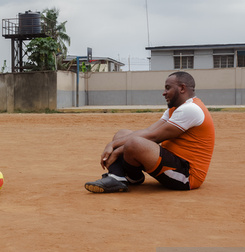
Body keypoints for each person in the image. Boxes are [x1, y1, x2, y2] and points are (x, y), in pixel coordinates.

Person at [85, 71, 215, 193]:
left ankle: (118, 176)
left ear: (182, 88)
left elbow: (154, 137)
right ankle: (129, 177)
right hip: (172, 162)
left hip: (187, 176)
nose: (164, 93)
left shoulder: (191, 109)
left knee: (134, 142)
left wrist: (115, 148)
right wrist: (114, 144)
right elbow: (149, 130)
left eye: (168, 88)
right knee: (122, 134)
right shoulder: (176, 109)